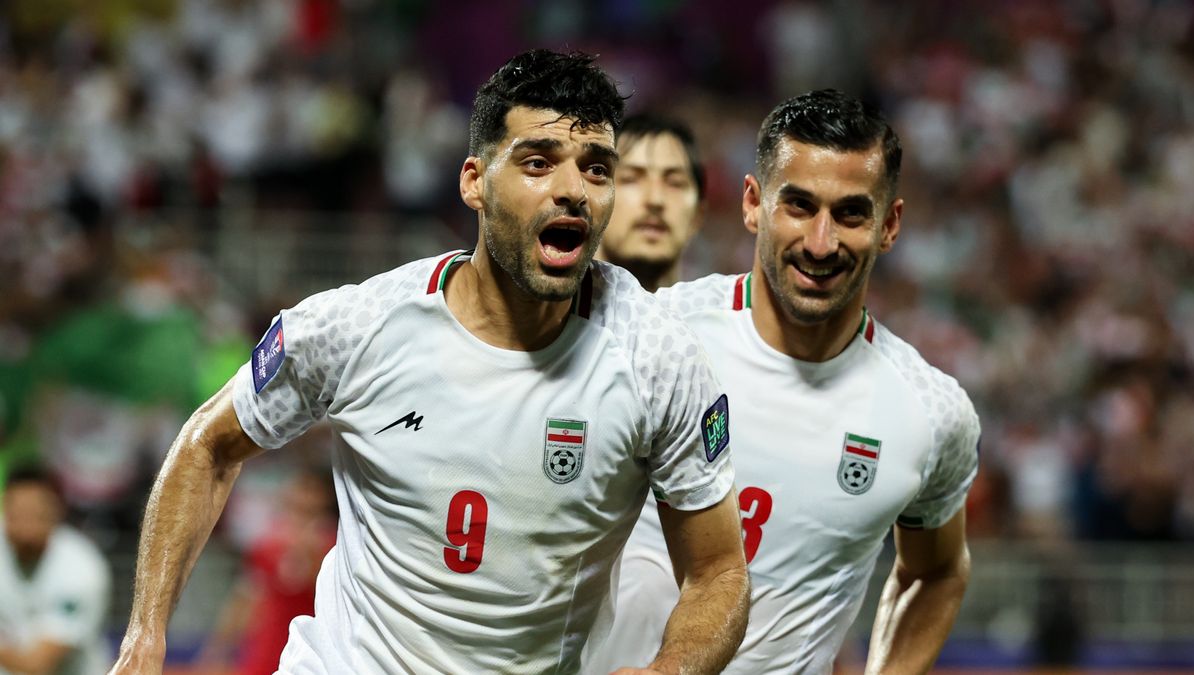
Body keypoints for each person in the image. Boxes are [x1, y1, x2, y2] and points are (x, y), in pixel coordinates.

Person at [109, 49, 749, 675]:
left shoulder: (656, 358)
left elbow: (719, 571)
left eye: (596, 169)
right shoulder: (356, 327)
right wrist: (144, 639)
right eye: (537, 163)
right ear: (474, 180)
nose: (572, 190)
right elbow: (206, 445)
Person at [589, 89, 980, 674]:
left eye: (850, 213)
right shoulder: (652, 335)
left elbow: (938, 572)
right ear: (753, 203)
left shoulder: (931, 412)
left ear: (890, 225)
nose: (821, 243)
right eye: (798, 206)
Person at [199, 470, 337, 675]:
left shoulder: (335, 547)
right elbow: (246, 598)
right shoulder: (267, 544)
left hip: (312, 656)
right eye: (296, 506)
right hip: (264, 653)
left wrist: (308, 553)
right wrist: (217, 649)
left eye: (309, 509)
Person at [0, 467, 112, 675]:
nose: (26, 524)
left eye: (36, 514)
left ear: (56, 512)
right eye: (18, 513)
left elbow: (37, 665)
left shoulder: (81, 568)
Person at [597, 114, 705, 292]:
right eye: (631, 179)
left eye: (675, 183)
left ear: (698, 215)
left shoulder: (719, 319)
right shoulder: (550, 318)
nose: (656, 199)